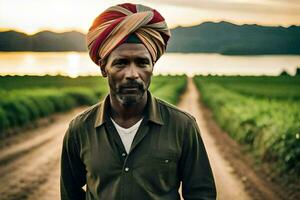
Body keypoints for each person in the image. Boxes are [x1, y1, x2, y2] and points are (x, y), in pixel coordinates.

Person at [60, 3, 216, 200]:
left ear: (152, 67)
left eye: (142, 63)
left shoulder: (183, 126)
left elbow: (201, 194)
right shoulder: (79, 129)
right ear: (103, 68)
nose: (132, 74)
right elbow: (69, 194)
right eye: (121, 63)